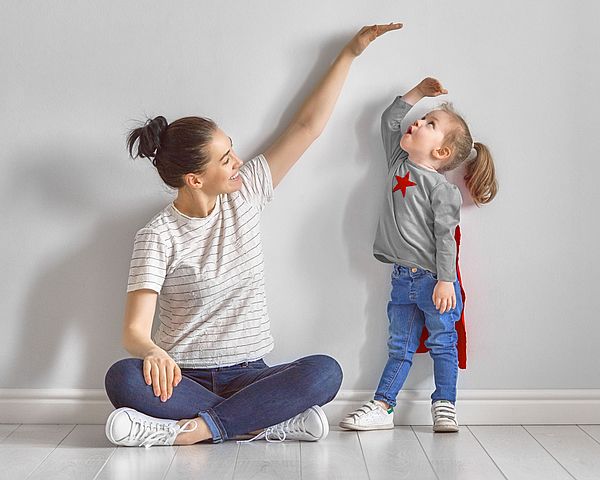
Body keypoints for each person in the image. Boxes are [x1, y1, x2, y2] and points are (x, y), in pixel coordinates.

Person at [103, 23, 403, 448]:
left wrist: (350, 53)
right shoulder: (157, 236)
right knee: (122, 379)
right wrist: (152, 352)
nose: (238, 162)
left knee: (325, 371)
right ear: (194, 178)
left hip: (251, 374)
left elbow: (306, 128)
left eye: (232, 149)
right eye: (226, 159)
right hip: (181, 377)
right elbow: (134, 330)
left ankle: (195, 430)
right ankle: (262, 422)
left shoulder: (245, 193)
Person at [339, 77, 498, 433]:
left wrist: (446, 281)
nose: (417, 122)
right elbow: (389, 120)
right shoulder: (398, 160)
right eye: (422, 118)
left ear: (441, 153)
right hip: (401, 279)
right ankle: (383, 405)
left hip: (433, 281)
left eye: (430, 124)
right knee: (399, 346)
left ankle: (445, 405)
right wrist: (418, 94)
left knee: (444, 343)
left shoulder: (442, 190)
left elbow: (447, 240)